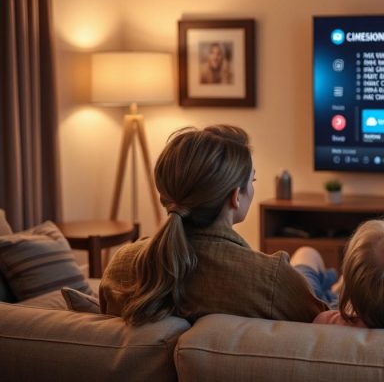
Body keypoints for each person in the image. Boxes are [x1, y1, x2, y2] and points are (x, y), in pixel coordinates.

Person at [99, 125, 326, 325]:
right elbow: (322, 326)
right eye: (252, 180)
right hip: (300, 289)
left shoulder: (121, 265)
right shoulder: (274, 279)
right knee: (308, 255)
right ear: (236, 196)